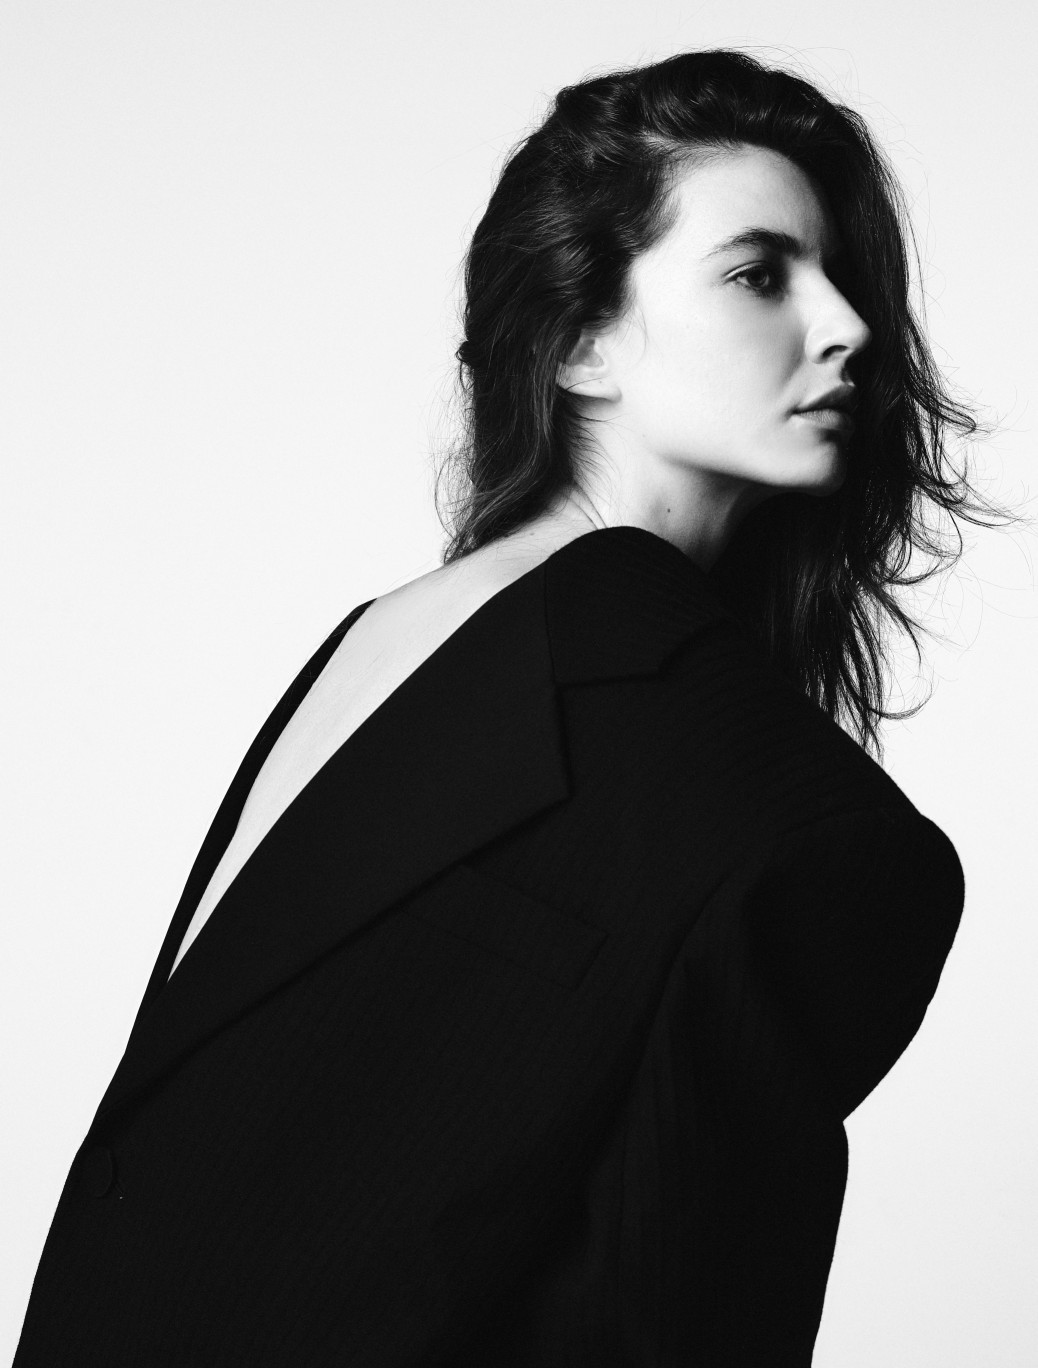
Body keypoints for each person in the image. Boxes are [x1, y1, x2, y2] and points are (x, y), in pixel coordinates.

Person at [15, 48, 997, 1367]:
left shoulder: (389, 637)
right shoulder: (795, 817)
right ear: (581, 341)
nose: (846, 326)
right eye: (758, 274)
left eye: (834, 274)